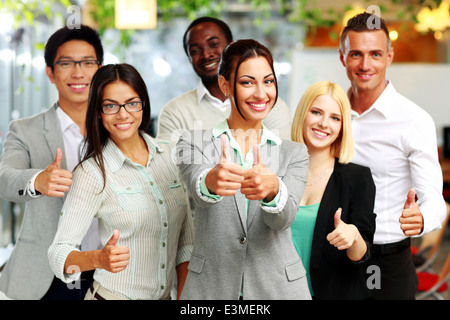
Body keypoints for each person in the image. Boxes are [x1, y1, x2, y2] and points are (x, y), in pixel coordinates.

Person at [176, 39, 311, 300]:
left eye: (268, 81)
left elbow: (284, 219)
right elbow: (197, 185)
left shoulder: (293, 153)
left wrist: (273, 191)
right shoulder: (193, 142)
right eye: (248, 82)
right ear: (225, 85)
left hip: (278, 289)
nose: (261, 93)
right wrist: (211, 181)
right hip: (212, 288)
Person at [48, 63, 194, 300]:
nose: (123, 114)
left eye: (132, 103)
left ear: (143, 105)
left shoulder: (171, 156)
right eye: (110, 106)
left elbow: (186, 246)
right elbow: (58, 254)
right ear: (98, 111)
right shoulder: (92, 172)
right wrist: (98, 259)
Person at [339, 12, 447, 299]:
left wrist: (422, 217)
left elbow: (434, 199)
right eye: (356, 55)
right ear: (342, 58)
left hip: (385, 262)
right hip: (331, 256)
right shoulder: (329, 113)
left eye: (375, 54)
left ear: (389, 57)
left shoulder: (414, 120)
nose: (365, 65)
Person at [0, 25, 103, 300]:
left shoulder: (119, 128)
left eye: (87, 63)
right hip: (46, 276)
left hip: (110, 274)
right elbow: (5, 178)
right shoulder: (25, 129)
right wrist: (37, 181)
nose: (78, 72)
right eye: (66, 63)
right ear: (50, 73)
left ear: (100, 68)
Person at [290, 80, 376, 299]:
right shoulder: (279, 171)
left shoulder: (357, 178)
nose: (323, 124)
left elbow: (363, 255)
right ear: (303, 114)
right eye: (316, 112)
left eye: (334, 118)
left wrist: (353, 236)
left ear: (341, 128)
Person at [157, 16, 292, 142]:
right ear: (189, 59)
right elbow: (171, 166)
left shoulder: (268, 106)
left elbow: (280, 161)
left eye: (214, 44)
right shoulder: (174, 112)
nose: (206, 54)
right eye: (195, 51)